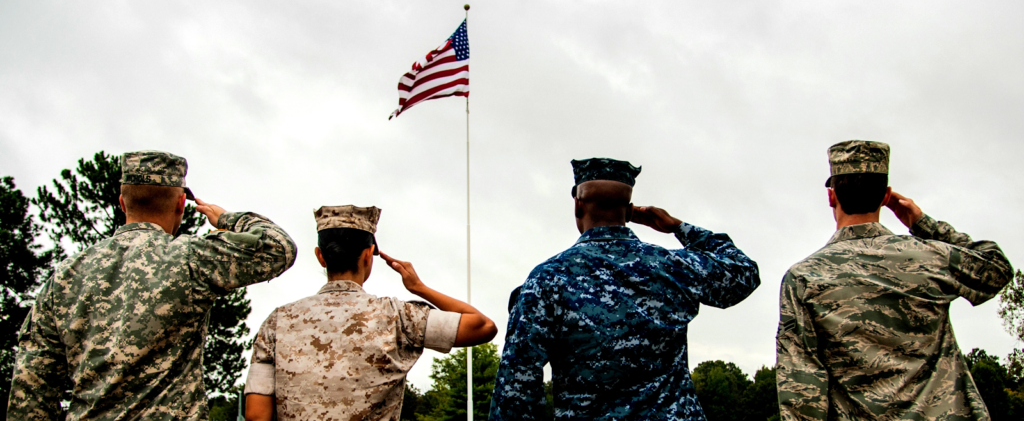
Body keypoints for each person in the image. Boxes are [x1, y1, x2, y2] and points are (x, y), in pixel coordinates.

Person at [8, 150, 297, 420]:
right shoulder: (190, 258)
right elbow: (278, 247)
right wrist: (227, 218)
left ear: (122, 203)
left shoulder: (64, 276)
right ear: (181, 205)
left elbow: (31, 388)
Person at [489, 158, 761, 420]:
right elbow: (743, 272)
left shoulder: (546, 280)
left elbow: (517, 387)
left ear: (578, 206)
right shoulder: (673, 266)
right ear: (630, 211)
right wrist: (678, 227)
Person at [776, 140, 1014, 420]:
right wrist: (923, 224)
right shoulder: (929, 257)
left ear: (832, 196)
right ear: (886, 196)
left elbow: (802, 389)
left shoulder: (804, 278)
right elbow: (996, 268)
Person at [243, 204, 498, 421]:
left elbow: (256, 415)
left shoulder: (277, 322)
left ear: (321, 256)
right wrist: (419, 288)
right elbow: (483, 326)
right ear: (368, 256)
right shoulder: (398, 316)